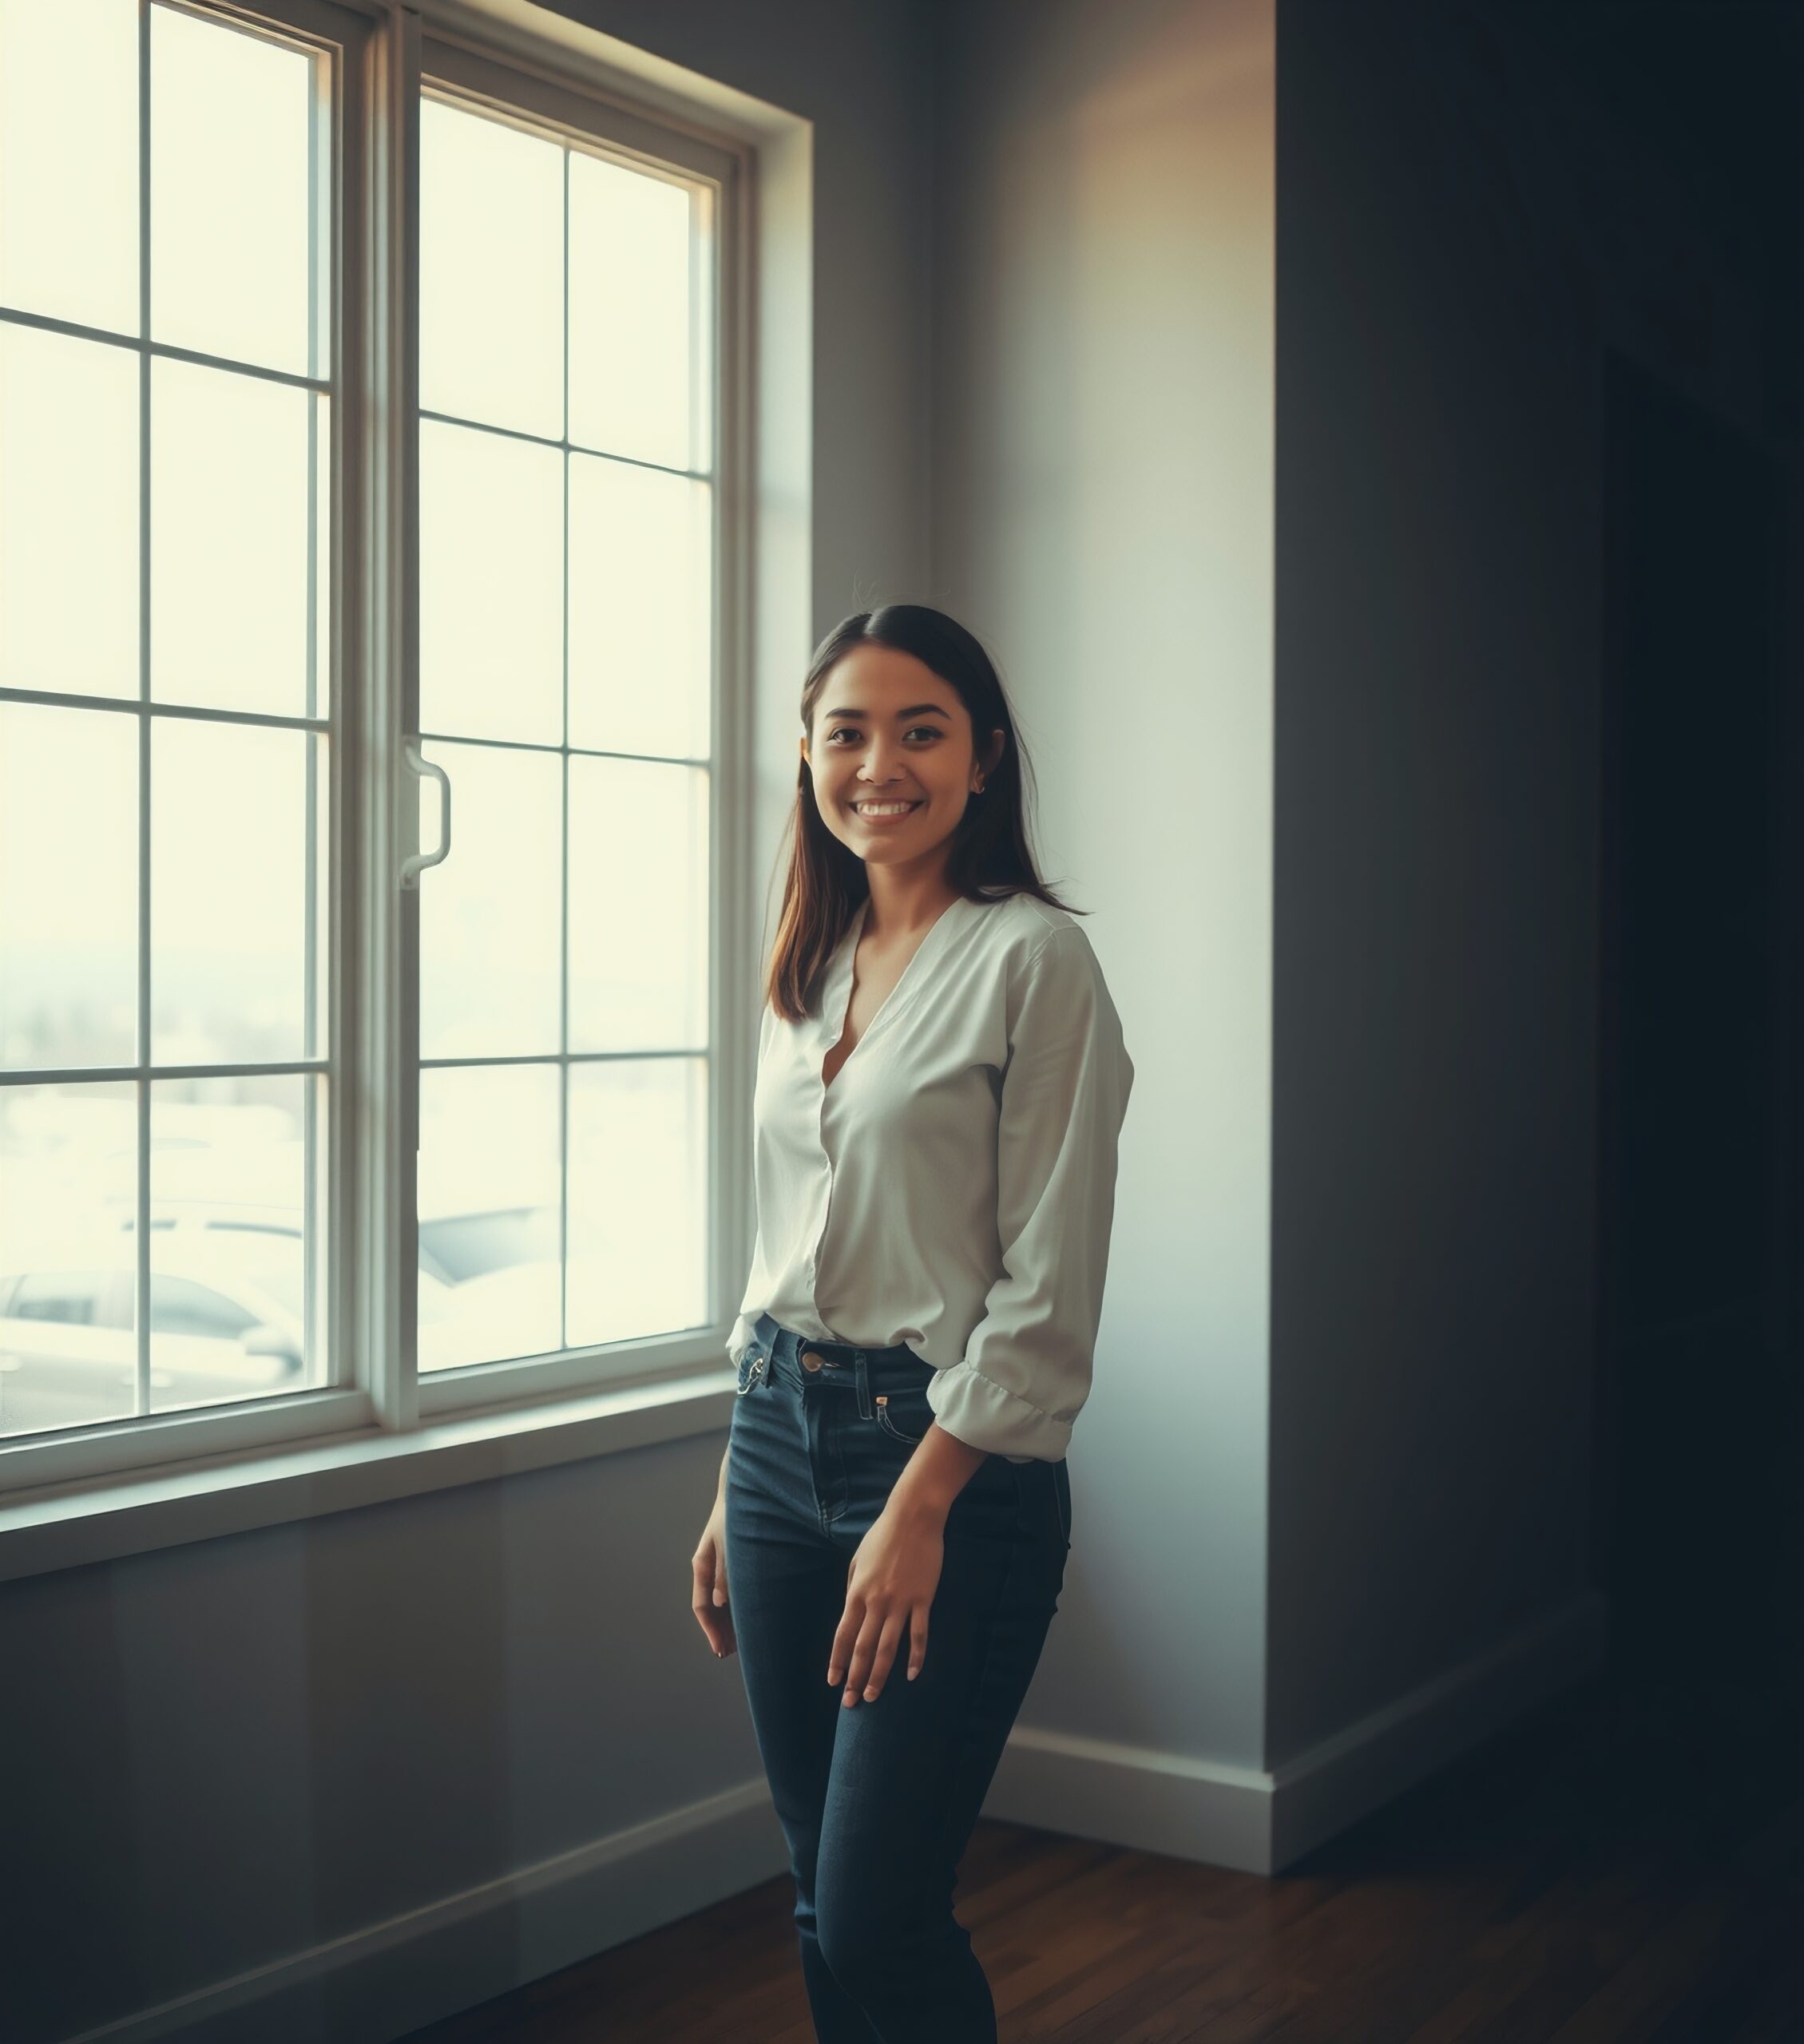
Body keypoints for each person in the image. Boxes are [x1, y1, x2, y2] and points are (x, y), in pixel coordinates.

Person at [690, 603, 1134, 2042]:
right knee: (821, 1891)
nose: (880, 763)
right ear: (807, 758)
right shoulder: (806, 965)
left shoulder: (1033, 962)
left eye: (921, 729)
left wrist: (923, 1499)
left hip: (944, 1467)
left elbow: (1048, 1286)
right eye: (847, 731)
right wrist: (730, 1471)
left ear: (985, 759)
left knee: (881, 1908)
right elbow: (787, 1250)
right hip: (773, 1439)